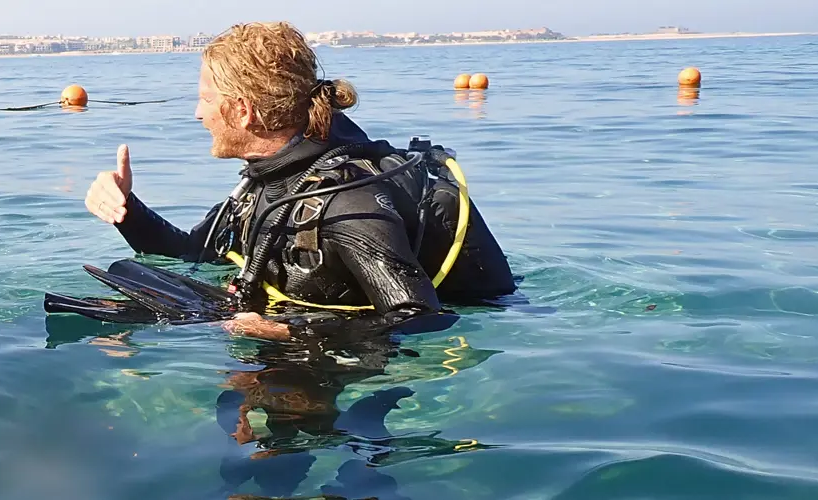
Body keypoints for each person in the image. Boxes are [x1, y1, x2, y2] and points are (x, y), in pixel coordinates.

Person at [83, 22, 516, 340]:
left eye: (206, 99)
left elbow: (421, 319)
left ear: (243, 111)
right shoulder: (265, 185)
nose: (199, 114)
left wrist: (292, 332)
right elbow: (193, 253)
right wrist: (127, 211)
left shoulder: (348, 203)